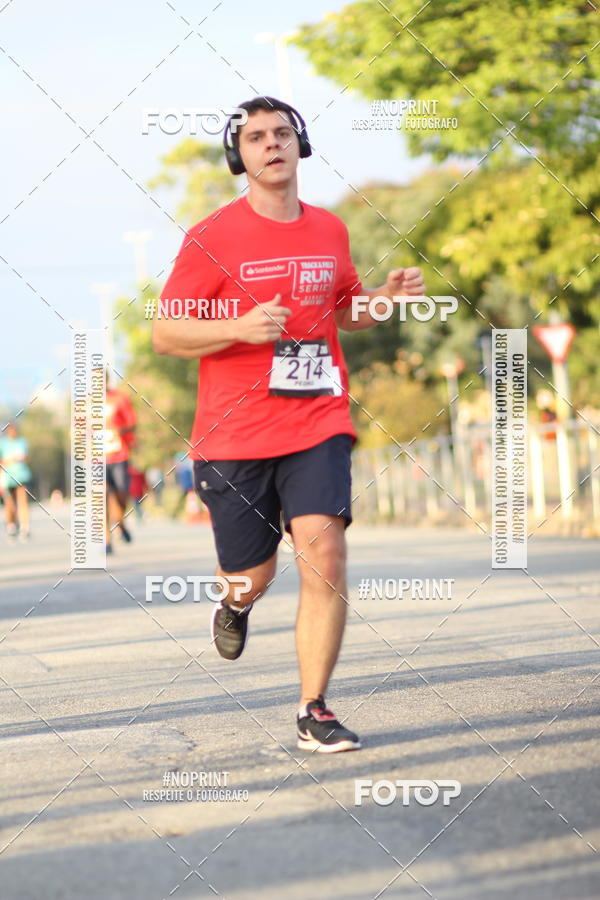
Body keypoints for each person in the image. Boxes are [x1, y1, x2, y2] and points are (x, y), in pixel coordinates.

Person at [153, 96, 425, 752]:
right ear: (238, 156)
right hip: (234, 434)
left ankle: (314, 709)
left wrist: (383, 301)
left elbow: (347, 312)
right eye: (255, 137)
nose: (270, 144)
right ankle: (236, 605)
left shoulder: (330, 230)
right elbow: (166, 333)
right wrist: (237, 328)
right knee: (255, 574)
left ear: (299, 144)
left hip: (319, 418)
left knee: (324, 553)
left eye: (281, 133)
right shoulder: (211, 235)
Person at [105, 377, 137, 553]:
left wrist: (119, 431)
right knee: (101, 496)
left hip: (119, 455)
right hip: (98, 458)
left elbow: (133, 423)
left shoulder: (119, 398)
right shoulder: (85, 404)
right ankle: (106, 540)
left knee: (121, 494)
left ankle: (120, 522)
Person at [0, 422, 32, 541]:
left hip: (21, 476)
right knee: (9, 503)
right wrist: (10, 460)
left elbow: (27, 457)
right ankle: (11, 525)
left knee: (23, 502)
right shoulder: (3, 444)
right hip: (7, 478)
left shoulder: (22, 441)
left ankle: (25, 527)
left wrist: (23, 458)